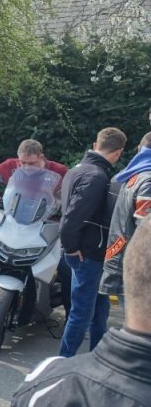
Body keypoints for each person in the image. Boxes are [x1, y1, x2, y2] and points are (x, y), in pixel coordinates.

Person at [0, 219, 151, 407]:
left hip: (78, 255)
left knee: (80, 310)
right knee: (82, 312)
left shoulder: (40, 383)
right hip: (85, 255)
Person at [0, 139, 70, 325]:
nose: (26, 167)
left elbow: (74, 192)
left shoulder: (59, 171)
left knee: (66, 269)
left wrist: (64, 205)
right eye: (23, 162)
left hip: (46, 223)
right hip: (13, 220)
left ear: (41, 157)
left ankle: (72, 318)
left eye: (32, 163)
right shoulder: (10, 165)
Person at [58, 127, 127, 358]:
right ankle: (62, 364)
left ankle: (96, 362)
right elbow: (72, 218)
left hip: (90, 254)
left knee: (100, 312)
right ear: (118, 152)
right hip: (87, 255)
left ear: (96, 144)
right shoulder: (96, 176)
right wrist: (71, 248)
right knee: (82, 314)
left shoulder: (77, 170)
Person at [100, 131, 151, 307]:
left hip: (124, 262)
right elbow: (146, 231)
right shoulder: (148, 181)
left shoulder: (131, 175)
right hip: (140, 271)